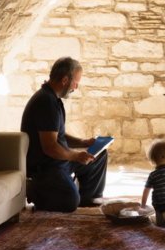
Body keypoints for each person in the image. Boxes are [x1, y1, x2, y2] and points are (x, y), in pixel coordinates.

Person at [21, 56, 109, 212]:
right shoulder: (46, 102)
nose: (76, 87)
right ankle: (35, 190)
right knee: (70, 201)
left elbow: (59, 135)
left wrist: (83, 142)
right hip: (47, 167)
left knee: (99, 156)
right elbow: (50, 148)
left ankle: (87, 200)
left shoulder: (54, 99)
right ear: (65, 79)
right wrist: (76, 156)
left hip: (60, 161)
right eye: (76, 82)